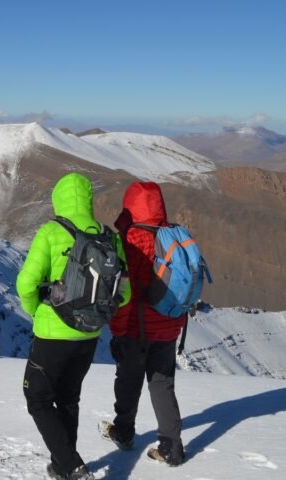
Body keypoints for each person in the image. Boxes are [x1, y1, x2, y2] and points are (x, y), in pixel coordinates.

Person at [16, 172, 129, 480]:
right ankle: (62, 466)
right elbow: (125, 292)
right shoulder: (108, 237)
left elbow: (25, 283)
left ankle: (74, 467)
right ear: (89, 200)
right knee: (68, 398)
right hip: (89, 334)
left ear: (59, 198)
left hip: (53, 333)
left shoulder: (52, 231)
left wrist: (37, 313)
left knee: (37, 398)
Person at [101, 181, 186, 466]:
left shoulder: (130, 240)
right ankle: (172, 447)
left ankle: (124, 433)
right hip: (170, 325)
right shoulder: (173, 236)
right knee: (162, 385)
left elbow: (125, 294)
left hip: (137, 330)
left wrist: (118, 331)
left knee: (128, 382)